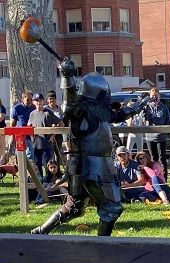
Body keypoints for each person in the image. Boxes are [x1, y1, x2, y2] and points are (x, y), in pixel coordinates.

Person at [31, 57, 151, 236]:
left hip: (83, 167)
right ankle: (102, 247)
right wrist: (68, 77)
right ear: (97, 92)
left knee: (74, 207)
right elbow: (70, 104)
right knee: (112, 208)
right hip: (93, 168)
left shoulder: (97, 111)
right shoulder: (81, 110)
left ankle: (40, 232)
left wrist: (139, 105)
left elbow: (118, 115)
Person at [27, 93, 64, 177]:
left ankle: (48, 181)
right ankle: (40, 182)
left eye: (40, 100)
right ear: (33, 102)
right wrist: (31, 137)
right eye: (36, 100)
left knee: (47, 164)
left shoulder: (48, 113)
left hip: (47, 143)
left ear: (43, 101)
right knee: (37, 164)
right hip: (36, 144)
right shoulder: (32, 114)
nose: (38, 102)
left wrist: (53, 135)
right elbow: (29, 126)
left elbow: (61, 123)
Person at [144, 88, 170, 181]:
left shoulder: (163, 107)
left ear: (159, 96)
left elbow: (168, 121)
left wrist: (164, 130)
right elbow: (143, 118)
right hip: (150, 136)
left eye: (156, 96)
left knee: (162, 158)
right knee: (153, 158)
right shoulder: (148, 107)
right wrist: (146, 105)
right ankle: (154, 179)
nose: (154, 98)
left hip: (161, 136)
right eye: (152, 96)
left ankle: (164, 179)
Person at [10, 90, 35, 160]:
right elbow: (12, 123)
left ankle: (29, 168)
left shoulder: (34, 107)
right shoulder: (16, 108)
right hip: (21, 134)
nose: (29, 101)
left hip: (32, 134)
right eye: (27, 99)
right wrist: (12, 136)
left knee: (30, 153)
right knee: (23, 152)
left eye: (31, 99)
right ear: (22, 99)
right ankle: (22, 167)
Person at [44, 90, 65, 165]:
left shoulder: (60, 109)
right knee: (49, 153)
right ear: (47, 100)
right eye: (50, 99)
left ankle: (58, 169)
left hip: (58, 134)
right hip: (48, 135)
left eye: (53, 98)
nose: (52, 100)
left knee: (58, 153)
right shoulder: (45, 109)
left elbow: (63, 120)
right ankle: (49, 169)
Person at [0, 98, 6, 164]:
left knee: (1, 143)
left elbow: (1, 117)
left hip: (1, 128)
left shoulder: (1, 107)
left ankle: (2, 158)